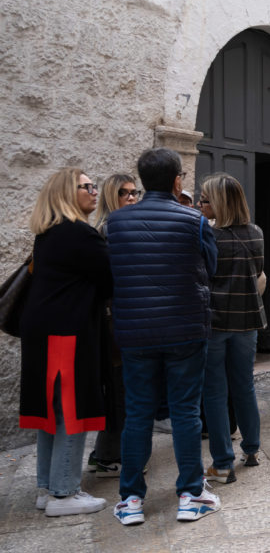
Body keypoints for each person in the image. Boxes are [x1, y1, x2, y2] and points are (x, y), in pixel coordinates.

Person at [106, 148, 220, 526]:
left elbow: (111, 277)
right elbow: (211, 268)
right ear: (177, 181)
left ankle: (131, 500)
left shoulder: (115, 223)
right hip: (185, 328)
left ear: (141, 180)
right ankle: (191, 494)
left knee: (137, 413)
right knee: (185, 411)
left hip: (136, 331)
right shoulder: (195, 220)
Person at [19, 168, 112, 517]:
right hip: (66, 331)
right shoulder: (78, 234)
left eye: (93, 185)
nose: (93, 190)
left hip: (45, 329)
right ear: (65, 193)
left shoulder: (49, 233)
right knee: (72, 411)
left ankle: (47, 487)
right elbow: (109, 280)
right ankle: (64, 492)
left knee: (51, 414)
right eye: (86, 186)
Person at [197, 173, 266, 485]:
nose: (200, 204)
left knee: (214, 391)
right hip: (248, 319)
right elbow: (258, 272)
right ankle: (251, 448)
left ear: (221, 203)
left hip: (216, 322)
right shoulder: (256, 233)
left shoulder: (209, 236)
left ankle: (223, 462)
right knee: (244, 386)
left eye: (206, 199)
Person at [87, 173, 140, 478]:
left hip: (122, 317)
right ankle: (107, 453)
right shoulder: (109, 229)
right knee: (121, 388)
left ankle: (108, 451)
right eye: (124, 193)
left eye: (134, 192)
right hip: (114, 320)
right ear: (110, 196)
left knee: (123, 387)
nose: (131, 198)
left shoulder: (119, 227)